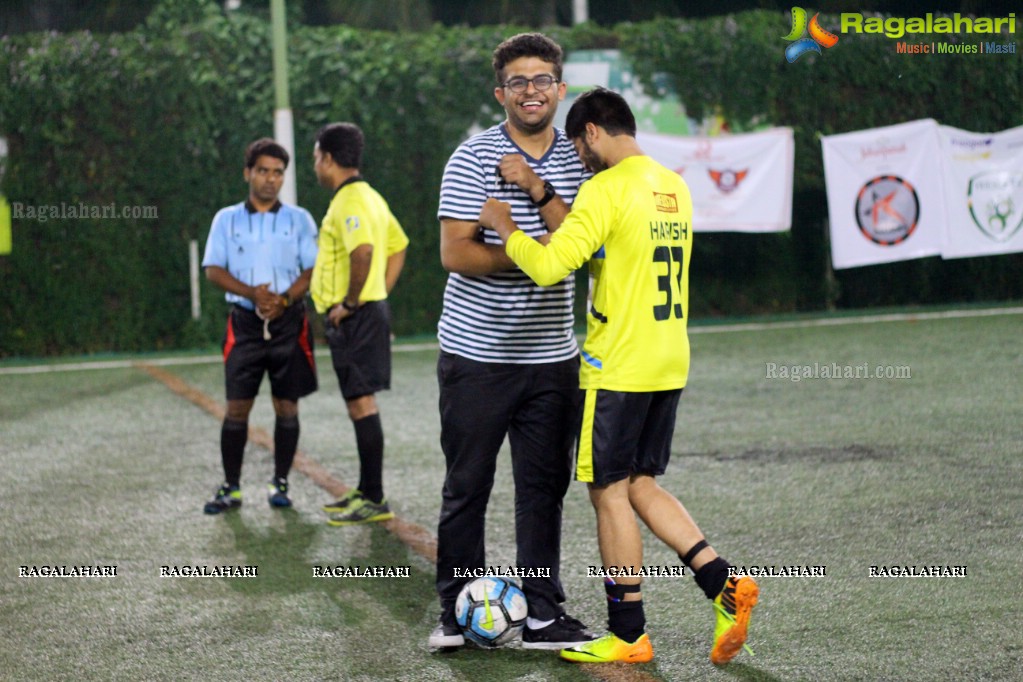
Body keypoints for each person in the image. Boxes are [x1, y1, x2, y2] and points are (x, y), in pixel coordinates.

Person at [478, 87, 759, 665]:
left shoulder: (603, 188)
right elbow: (618, 252)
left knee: (607, 491)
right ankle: (721, 583)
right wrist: (549, 201)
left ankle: (628, 634)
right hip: (668, 357)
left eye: (581, 147)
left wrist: (507, 228)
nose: (581, 158)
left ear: (591, 133)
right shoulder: (673, 185)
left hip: (619, 364)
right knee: (641, 483)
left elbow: (553, 266)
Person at [429, 32, 596, 650]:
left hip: (553, 358)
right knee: (467, 484)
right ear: (501, 93)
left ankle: (545, 612)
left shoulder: (581, 160)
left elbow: (580, 244)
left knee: (542, 489)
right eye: (519, 82)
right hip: (477, 355)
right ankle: (454, 611)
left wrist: (531, 189)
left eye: (543, 79)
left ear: (560, 88)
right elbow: (455, 251)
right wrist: (535, 257)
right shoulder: (470, 158)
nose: (532, 91)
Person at [201, 137, 319, 514]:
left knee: (287, 406)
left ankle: (280, 483)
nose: (271, 179)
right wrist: (254, 294)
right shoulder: (227, 218)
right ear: (248, 173)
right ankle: (231, 487)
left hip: (289, 324)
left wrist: (283, 300)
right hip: (244, 325)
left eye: (278, 173)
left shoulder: (299, 219)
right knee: (237, 408)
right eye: (264, 171)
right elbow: (213, 269)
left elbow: (312, 269)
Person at [310, 122, 409, 526]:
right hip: (365, 313)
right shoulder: (370, 196)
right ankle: (367, 490)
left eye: (316, 158)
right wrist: (377, 293)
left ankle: (375, 497)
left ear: (329, 159)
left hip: (354, 317)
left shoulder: (349, 201)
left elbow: (364, 252)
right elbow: (399, 246)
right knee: (359, 403)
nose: (315, 166)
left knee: (362, 403)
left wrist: (353, 302)